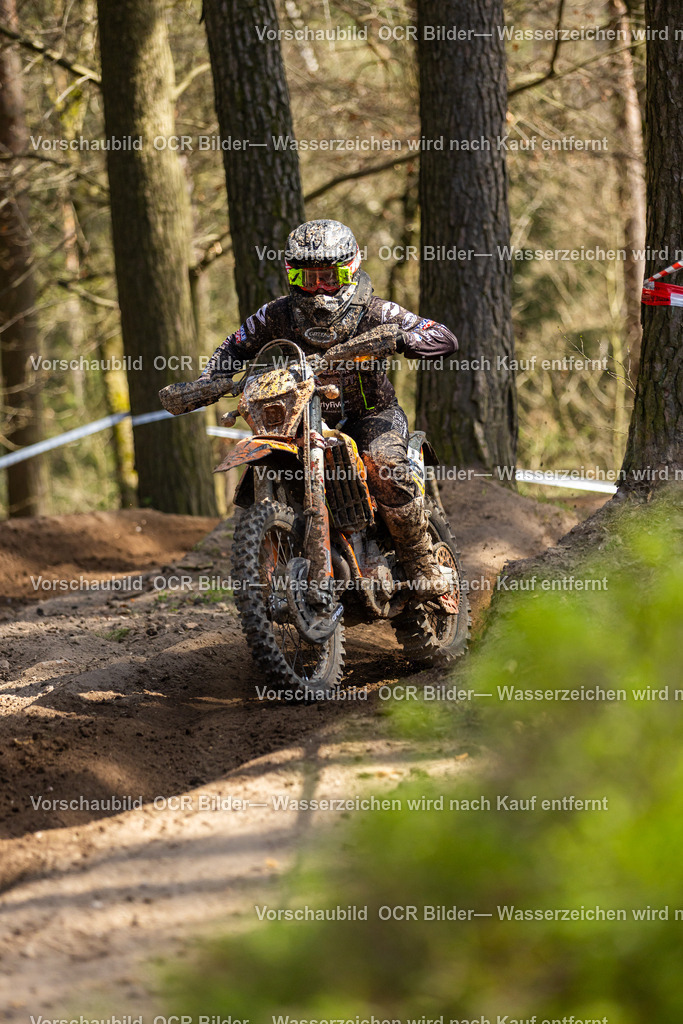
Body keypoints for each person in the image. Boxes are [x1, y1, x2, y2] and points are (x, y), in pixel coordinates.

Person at [200, 219, 458, 595]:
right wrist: (209, 382)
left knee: (384, 466)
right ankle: (273, 574)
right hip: (300, 420)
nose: (319, 288)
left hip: (371, 416)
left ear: (350, 270)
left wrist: (402, 338)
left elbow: (443, 336)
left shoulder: (376, 311)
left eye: (329, 277)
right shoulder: (276, 315)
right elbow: (234, 346)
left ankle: (421, 562)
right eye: (308, 279)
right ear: (292, 276)